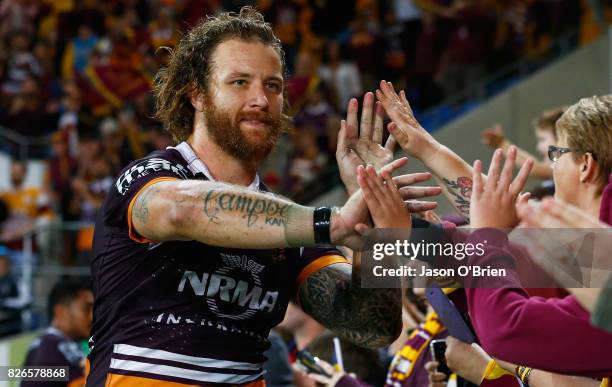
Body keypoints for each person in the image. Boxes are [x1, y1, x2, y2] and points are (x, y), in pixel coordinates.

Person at [86, 8, 442, 386]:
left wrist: (376, 233)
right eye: (239, 82)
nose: (260, 99)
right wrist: (332, 223)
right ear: (197, 95)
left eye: (272, 86)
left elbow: (372, 327)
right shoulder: (150, 178)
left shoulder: (288, 227)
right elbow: (180, 210)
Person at [375, 84, 612, 377]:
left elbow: (505, 327)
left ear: (586, 165)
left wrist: (489, 376)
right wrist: (411, 231)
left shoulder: (596, 263)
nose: (549, 167)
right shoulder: (585, 249)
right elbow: (494, 247)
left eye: (555, 153)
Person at [22, 279, 93, 387]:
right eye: (86, 308)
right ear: (60, 311)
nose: (92, 316)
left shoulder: (47, 344)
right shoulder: (53, 347)